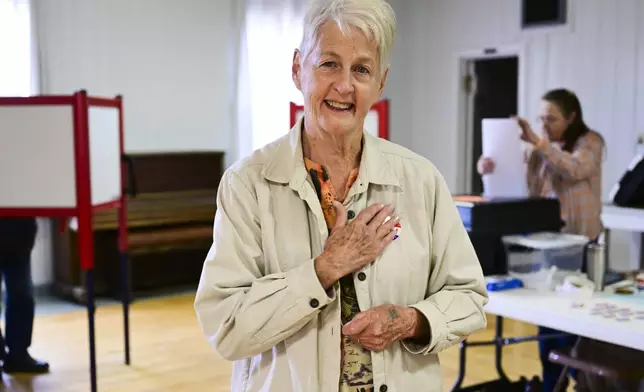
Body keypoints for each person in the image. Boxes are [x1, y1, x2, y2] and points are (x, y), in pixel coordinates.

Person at [194, 0, 488, 391]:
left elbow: (468, 296)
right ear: (298, 68)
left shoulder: (420, 180)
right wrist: (325, 268)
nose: (345, 85)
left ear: (379, 84)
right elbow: (226, 324)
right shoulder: (247, 184)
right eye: (329, 63)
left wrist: (410, 320)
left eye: (361, 69)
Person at [477, 88, 605, 392]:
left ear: (572, 117)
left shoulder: (591, 142)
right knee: (548, 321)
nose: (544, 125)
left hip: (580, 243)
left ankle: (583, 383)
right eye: (541, 119)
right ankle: (551, 384)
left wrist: (538, 142)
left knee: (578, 322)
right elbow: (524, 189)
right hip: (544, 245)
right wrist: (489, 169)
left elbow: (574, 168)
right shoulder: (537, 149)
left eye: (552, 119)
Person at [0, 217, 50, 374]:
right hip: (17, 231)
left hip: (19, 234)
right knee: (21, 294)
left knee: (22, 297)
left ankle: (18, 356)